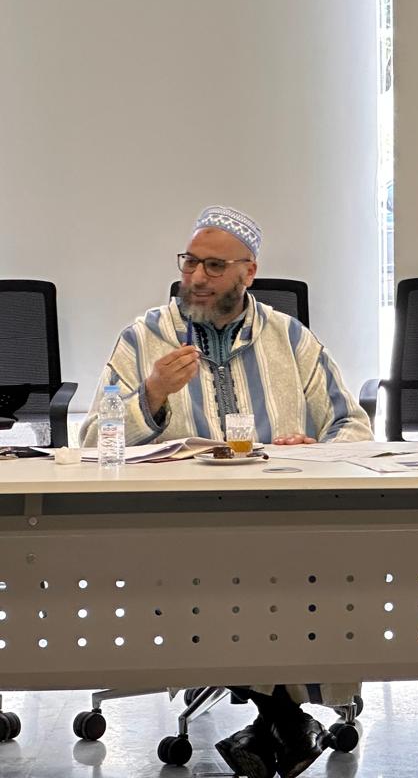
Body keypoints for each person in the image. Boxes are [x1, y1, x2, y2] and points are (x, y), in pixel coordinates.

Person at [82, 205, 371, 778]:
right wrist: (151, 396)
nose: (196, 277)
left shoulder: (290, 338)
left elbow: (352, 425)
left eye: (214, 266)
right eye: (189, 262)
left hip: (281, 516)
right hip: (179, 525)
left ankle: (272, 725)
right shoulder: (143, 338)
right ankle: (283, 721)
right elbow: (94, 439)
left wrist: (313, 449)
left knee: (282, 560)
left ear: (248, 272)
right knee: (241, 564)